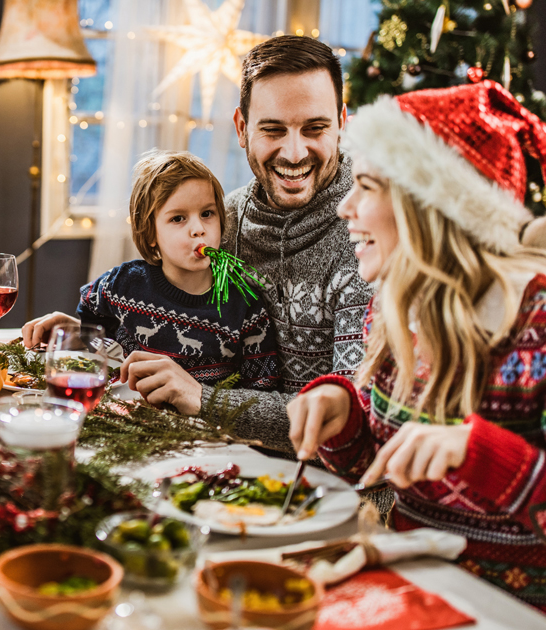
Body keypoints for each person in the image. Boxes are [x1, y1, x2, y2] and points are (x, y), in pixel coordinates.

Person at [287, 81, 546, 630]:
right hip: (410, 603)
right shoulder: (399, 311)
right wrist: (343, 418)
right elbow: (380, 470)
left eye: (365, 185)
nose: (344, 207)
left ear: (431, 208)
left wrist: (487, 456)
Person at [33, 37, 372, 452]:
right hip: (210, 457)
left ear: (342, 124)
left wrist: (203, 399)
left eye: (315, 128)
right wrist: (89, 340)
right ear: (243, 129)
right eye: (273, 129)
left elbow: (357, 424)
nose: (295, 151)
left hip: (331, 488)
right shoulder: (220, 224)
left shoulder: (371, 238)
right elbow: (162, 327)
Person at [24, 150, 280, 391]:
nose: (198, 229)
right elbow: (100, 336)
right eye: (178, 218)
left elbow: (260, 386)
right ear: (150, 235)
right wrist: (76, 332)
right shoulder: (122, 284)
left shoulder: (245, 306)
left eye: (207, 213)